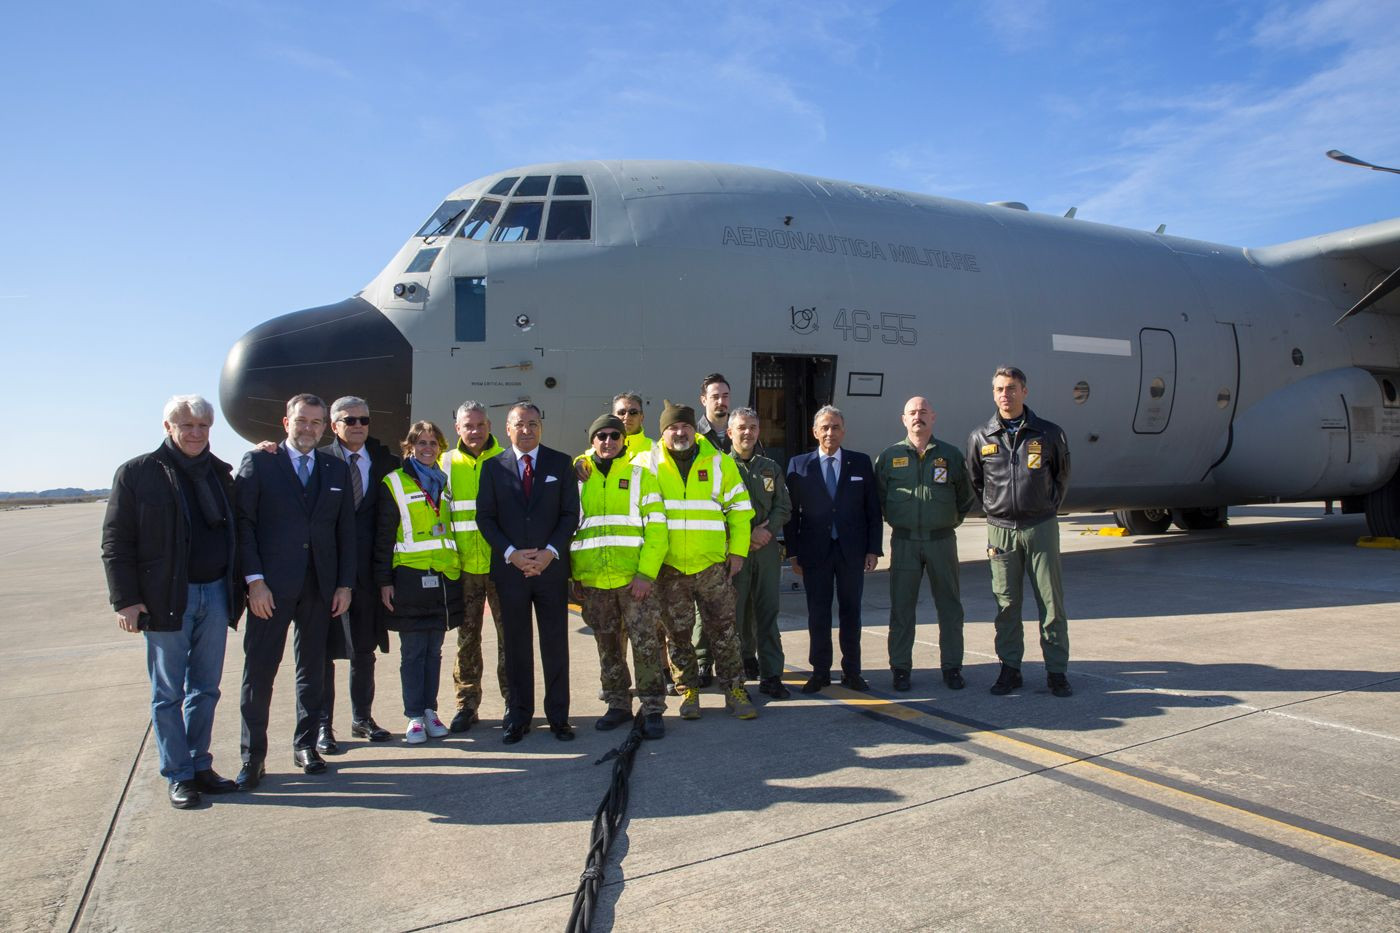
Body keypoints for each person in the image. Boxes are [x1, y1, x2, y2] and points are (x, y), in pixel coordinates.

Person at [101, 395, 245, 809]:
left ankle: (200, 764)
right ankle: (178, 774)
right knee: (168, 693)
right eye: (187, 426)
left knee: (206, 688)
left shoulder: (220, 474)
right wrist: (125, 600)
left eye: (203, 426)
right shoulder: (138, 474)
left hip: (216, 592)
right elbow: (115, 542)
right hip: (167, 597)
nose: (196, 433)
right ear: (168, 428)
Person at [235, 393, 356, 786]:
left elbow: (346, 534)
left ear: (326, 428)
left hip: (320, 588)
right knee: (260, 672)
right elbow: (244, 527)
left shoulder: (334, 470)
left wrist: (344, 584)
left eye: (317, 422)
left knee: (313, 671)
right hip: (270, 589)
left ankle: (306, 744)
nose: (309, 428)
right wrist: (254, 582)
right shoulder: (260, 462)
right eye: (302, 420)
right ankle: (253, 755)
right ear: (286, 422)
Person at [641, 400, 758, 720]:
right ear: (662, 432)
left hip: (711, 566)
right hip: (670, 568)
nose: (679, 432)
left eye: (685, 426)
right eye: (672, 427)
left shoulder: (719, 462)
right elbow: (601, 466)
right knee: (677, 635)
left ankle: (735, 689)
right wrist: (583, 465)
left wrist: (737, 552)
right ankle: (688, 691)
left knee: (724, 630)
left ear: (695, 430)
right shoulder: (645, 463)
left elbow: (740, 511)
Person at [475, 403, 581, 743]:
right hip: (511, 571)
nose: (527, 430)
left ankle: (559, 717)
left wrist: (550, 553)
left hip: (550, 570)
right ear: (507, 429)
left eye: (533, 423)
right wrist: (511, 554)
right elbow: (485, 518)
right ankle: (518, 716)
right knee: (516, 646)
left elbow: (569, 515)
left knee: (555, 645)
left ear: (541, 427)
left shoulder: (560, 463)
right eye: (520, 424)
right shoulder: (493, 467)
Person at [966, 366, 1073, 697]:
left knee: (1050, 602)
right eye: (999, 388)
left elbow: (1061, 476)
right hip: (1001, 530)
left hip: (1040, 526)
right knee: (1007, 604)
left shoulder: (1048, 433)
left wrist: (1046, 504)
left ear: (1025, 391)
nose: (1004, 394)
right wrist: (997, 508)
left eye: (1011, 388)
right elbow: (977, 480)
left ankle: (1056, 672)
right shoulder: (981, 437)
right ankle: (1010, 669)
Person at [571, 415, 668, 739]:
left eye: (615, 435)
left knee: (645, 645)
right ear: (592, 440)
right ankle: (618, 704)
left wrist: (645, 574)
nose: (608, 441)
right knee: (608, 646)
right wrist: (576, 576)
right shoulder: (579, 479)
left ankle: (652, 707)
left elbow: (657, 529)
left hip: (633, 580)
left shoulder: (641, 477)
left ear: (624, 440)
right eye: (601, 436)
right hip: (595, 581)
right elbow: (571, 529)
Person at [875, 396, 974, 692]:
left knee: (950, 607)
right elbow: (878, 498)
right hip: (904, 541)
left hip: (941, 540)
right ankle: (901, 668)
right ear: (903, 419)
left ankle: (952, 667)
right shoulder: (890, 457)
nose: (918, 417)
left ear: (933, 417)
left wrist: (947, 522)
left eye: (923, 412)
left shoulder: (951, 455)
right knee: (902, 609)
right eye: (912, 413)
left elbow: (965, 496)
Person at [316, 396, 397, 749]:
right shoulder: (319, 461)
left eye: (364, 419)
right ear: (334, 426)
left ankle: (362, 719)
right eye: (349, 421)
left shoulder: (385, 462)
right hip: (324, 574)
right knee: (322, 653)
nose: (359, 426)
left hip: (366, 574)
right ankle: (322, 726)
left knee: (363, 651)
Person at [785, 405, 883, 693]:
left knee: (851, 611)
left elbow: (872, 511)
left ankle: (852, 671)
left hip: (851, 551)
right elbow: (792, 514)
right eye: (825, 427)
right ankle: (820, 672)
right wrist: (793, 553)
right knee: (818, 612)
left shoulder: (861, 463)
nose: (830, 432)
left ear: (844, 430)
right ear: (815, 432)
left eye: (836, 427)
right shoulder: (799, 465)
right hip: (814, 552)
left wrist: (873, 549)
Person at [375, 421, 462, 743]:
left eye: (433, 443)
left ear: (440, 447)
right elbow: (383, 536)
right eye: (421, 443)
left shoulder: (445, 483)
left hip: (442, 576)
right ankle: (413, 715)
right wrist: (384, 580)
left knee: (434, 651)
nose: (428, 448)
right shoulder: (394, 483)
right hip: (410, 576)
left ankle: (430, 711)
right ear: (409, 447)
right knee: (412, 651)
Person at [441, 400, 509, 733]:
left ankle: (514, 701)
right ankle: (466, 704)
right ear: (457, 428)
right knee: (467, 640)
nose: (475, 431)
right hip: (464, 567)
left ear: (490, 426)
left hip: (501, 566)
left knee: (509, 637)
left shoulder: (505, 460)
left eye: (480, 425)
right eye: (468, 426)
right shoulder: (444, 464)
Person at [726, 407, 792, 697]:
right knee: (734, 615)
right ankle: (735, 676)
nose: (747, 432)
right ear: (730, 432)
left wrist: (767, 530)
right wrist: (742, 536)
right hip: (734, 552)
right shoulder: (718, 468)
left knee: (767, 612)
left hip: (765, 551)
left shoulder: (770, 467)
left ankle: (772, 675)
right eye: (741, 427)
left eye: (753, 427)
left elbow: (783, 505)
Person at [691, 373, 733, 684]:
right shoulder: (693, 437)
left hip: (733, 532)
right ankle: (702, 662)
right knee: (700, 607)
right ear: (704, 400)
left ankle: (740, 658)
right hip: (703, 533)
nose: (721, 401)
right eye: (715, 396)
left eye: (725, 396)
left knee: (730, 602)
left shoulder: (741, 432)